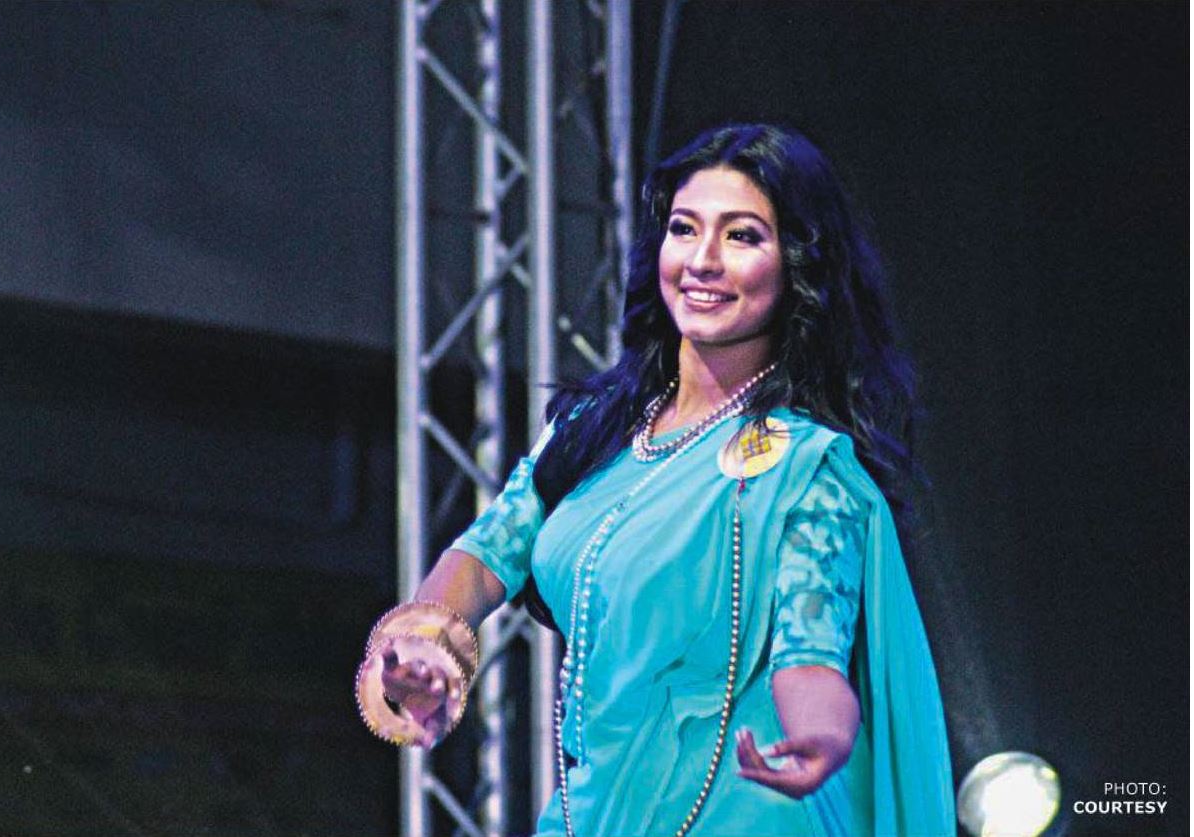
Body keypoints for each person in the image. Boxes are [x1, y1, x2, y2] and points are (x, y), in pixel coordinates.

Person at [355, 123, 954, 836]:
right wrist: (428, 640)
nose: (702, 260)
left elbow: (810, 647)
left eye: (742, 236)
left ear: (798, 265)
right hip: (592, 812)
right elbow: (488, 553)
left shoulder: (804, 464)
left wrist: (820, 732)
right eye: (683, 228)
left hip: (743, 810)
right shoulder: (593, 428)